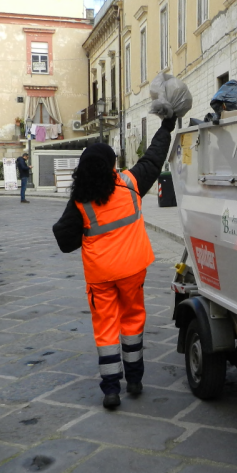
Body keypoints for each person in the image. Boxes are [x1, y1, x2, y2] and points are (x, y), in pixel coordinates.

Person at [52, 116, 176, 410]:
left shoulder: (81, 201)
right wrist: (166, 126)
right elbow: (154, 158)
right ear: (111, 167)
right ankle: (134, 380)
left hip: (101, 275)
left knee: (105, 328)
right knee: (133, 320)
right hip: (133, 269)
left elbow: (63, 239)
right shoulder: (131, 183)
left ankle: (111, 390)